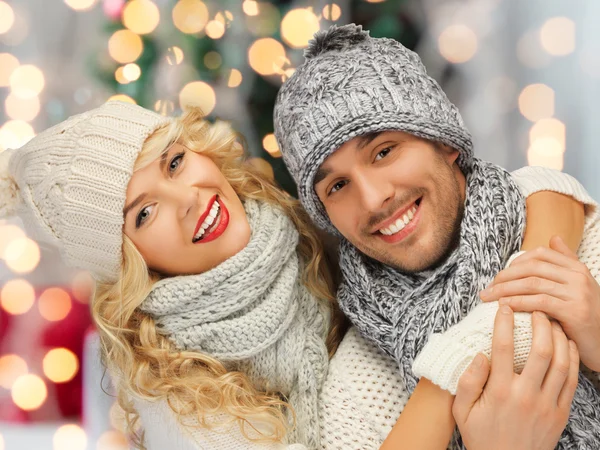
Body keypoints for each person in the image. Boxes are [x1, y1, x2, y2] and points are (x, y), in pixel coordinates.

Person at [0, 101, 585, 450]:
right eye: (144, 213)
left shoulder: (295, 223)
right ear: (127, 264)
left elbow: (519, 193)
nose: (187, 198)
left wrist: (515, 296)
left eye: (175, 162)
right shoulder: (183, 405)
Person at [273, 24, 600, 448]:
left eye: (384, 151)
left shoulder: (583, 253)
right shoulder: (354, 394)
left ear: (444, 142)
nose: (373, 200)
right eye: (337, 187)